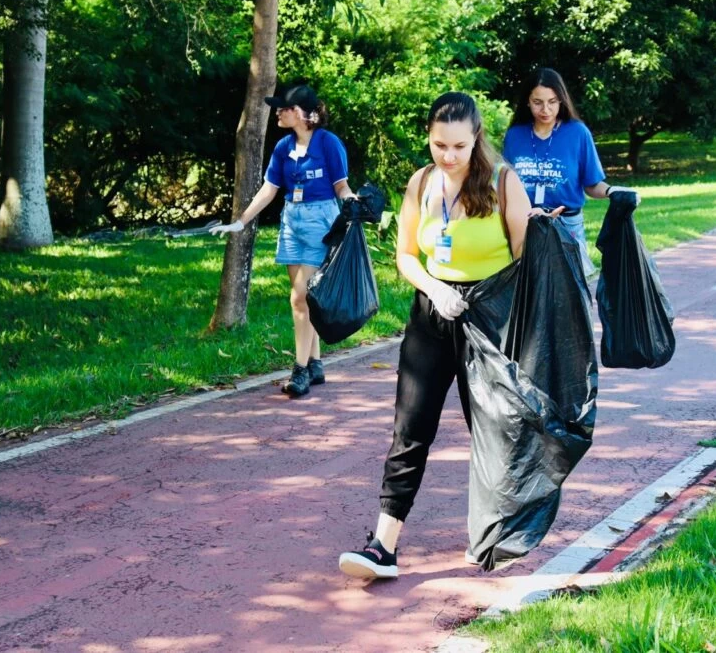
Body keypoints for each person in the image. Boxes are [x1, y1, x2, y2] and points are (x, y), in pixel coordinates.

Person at [338, 92, 535, 579]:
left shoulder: (504, 183)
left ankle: (496, 532)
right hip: (432, 314)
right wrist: (434, 288)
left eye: (459, 147)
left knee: (491, 430)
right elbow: (406, 255)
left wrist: (498, 313)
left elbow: (526, 259)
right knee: (410, 428)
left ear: (477, 141)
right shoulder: (421, 183)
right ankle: (383, 545)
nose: (448, 156)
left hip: (490, 319)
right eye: (439, 144)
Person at [210, 84, 357, 397]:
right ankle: (316, 365)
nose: (278, 111)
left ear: (307, 114)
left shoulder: (329, 144)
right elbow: (269, 190)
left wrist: (351, 200)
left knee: (299, 298)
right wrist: (240, 222)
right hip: (291, 221)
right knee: (305, 298)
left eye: (285, 108)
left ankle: (300, 370)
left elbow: (341, 185)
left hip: (321, 221)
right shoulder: (283, 148)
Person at [502, 68, 637, 276]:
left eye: (553, 101)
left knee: (570, 295)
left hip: (567, 224)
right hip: (526, 225)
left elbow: (591, 183)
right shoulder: (515, 135)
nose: (546, 109)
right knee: (530, 294)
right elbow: (504, 186)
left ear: (562, 100)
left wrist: (612, 191)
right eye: (538, 102)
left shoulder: (577, 133)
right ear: (527, 102)